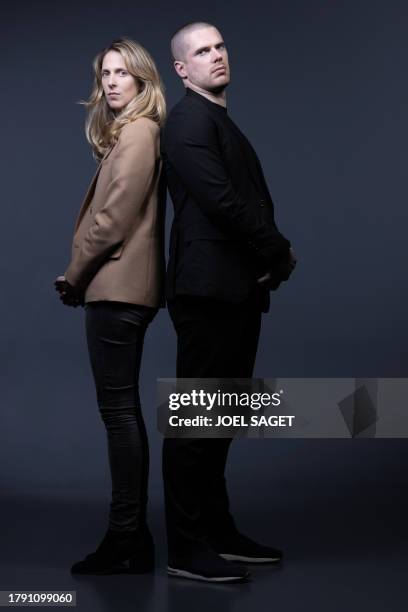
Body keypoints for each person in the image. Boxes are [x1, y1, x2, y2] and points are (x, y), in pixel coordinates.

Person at [161, 22, 297, 583]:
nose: (215, 56)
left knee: (221, 419)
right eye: (201, 51)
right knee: (195, 420)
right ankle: (185, 547)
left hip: (234, 288)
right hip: (207, 290)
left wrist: (265, 263)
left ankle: (216, 531)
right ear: (181, 69)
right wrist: (277, 248)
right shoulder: (188, 120)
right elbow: (222, 201)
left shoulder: (215, 118)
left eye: (219, 47)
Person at [54, 38, 166, 575]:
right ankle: (129, 535)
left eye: (124, 73)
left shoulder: (141, 133)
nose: (113, 82)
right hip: (117, 289)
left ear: (144, 80)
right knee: (119, 413)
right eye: (105, 74)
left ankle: (128, 538)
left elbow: (113, 220)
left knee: (119, 414)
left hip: (118, 290)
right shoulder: (128, 135)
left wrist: (75, 276)